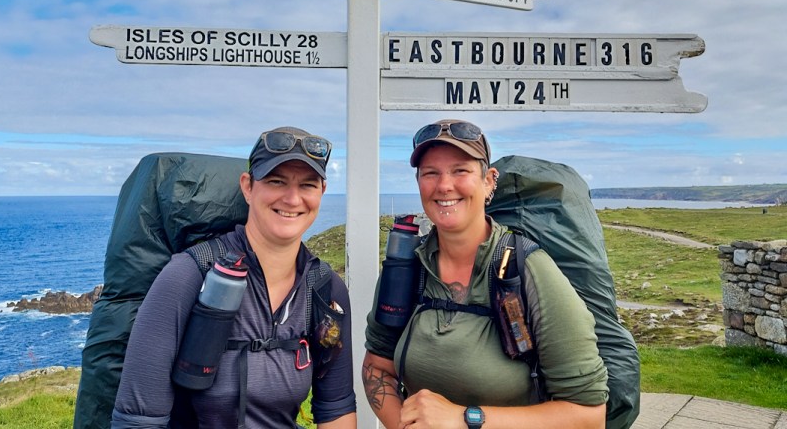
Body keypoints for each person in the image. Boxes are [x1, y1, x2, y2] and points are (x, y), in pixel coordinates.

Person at [362, 119, 608, 429]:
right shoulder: (409, 266)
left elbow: (589, 416)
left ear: (489, 181)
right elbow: (377, 366)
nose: (444, 185)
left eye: (460, 170)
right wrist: (404, 424)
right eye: (430, 173)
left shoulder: (529, 270)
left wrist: (465, 419)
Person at [111, 127, 357, 429]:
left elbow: (336, 406)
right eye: (276, 181)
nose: (293, 199)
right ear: (248, 187)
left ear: (321, 192)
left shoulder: (325, 288)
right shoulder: (189, 275)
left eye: (307, 185)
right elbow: (138, 420)